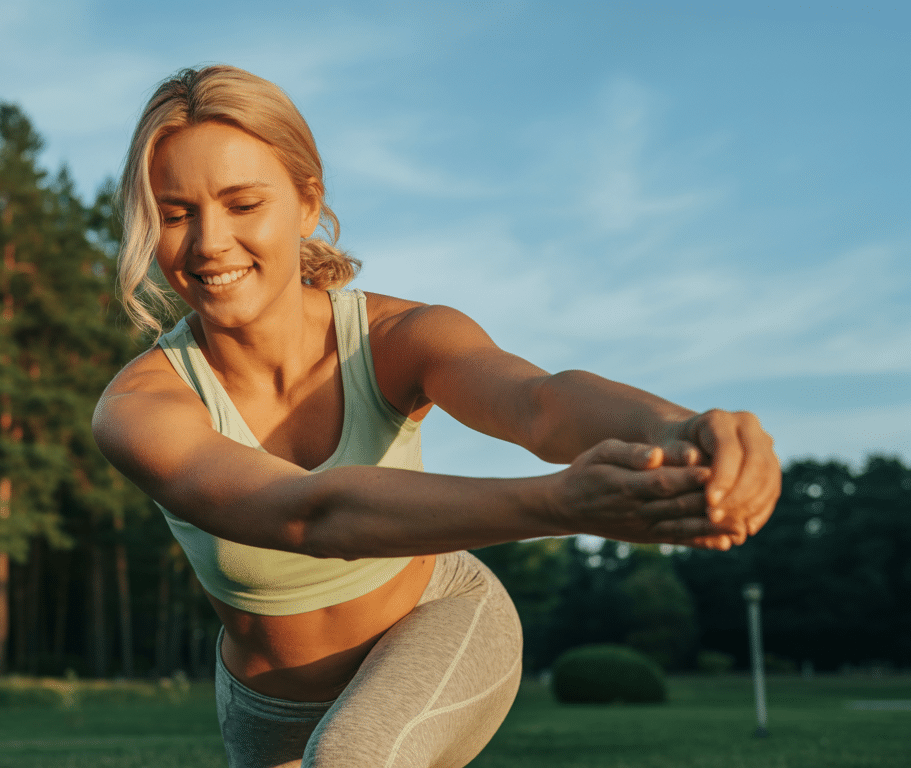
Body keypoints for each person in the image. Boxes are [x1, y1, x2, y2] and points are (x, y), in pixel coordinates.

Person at [92, 65, 780, 768]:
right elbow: (307, 517)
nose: (209, 243)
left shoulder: (399, 338)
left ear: (306, 202)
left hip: (439, 621)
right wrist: (563, 504)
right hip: (265, 703)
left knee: (350, 758)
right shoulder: (139, 409)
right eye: (177, 214)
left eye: (242, 204)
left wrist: (677, 431)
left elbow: (537, 404)